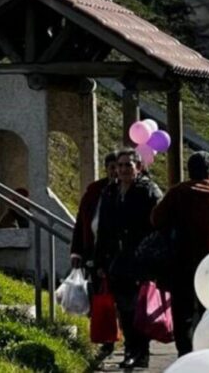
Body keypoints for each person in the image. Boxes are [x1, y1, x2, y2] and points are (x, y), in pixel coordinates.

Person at [151, 151, 209, 356]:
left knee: (183, 314)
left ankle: (186, 355)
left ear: (189, 171)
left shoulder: (178, 193)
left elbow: (156, 219)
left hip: (182, 263)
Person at [95, 148, 162, 369]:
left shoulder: (148, 191)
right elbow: (103, 229)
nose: (123, 169)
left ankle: (139, 352)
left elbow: (158, 226)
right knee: (124, 309)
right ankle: (131, 349)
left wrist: (149, 253)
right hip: (116, 260)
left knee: (138, 308)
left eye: (128, 165)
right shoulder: (110, 192)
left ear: (138, 167)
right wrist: (99, 261)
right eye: (120, 165)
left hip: (140, 259)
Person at [69, 151, 117, 358]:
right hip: (94, 253)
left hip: (119, 255)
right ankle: (106, 341)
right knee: (100, 297)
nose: (116, 171)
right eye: (112, 167)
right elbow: (81, 223)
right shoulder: (94, 191)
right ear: (106, 169)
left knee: (121, 300)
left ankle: (127, 339)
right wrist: (76, 251)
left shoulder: (130, 191)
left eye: (120, 166)